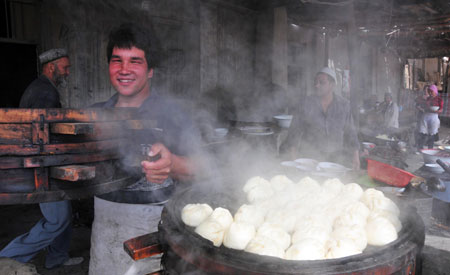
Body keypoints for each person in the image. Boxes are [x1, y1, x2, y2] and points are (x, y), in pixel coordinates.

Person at [88, 23, 202, 275]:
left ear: (150, 70)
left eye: (135, 61)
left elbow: (203, 167)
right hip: (103, 237)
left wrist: (172, 164)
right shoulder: (96, 115)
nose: (124, 69)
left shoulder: (174, 115)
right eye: (117, 60)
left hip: (154, 235)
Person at [0, 48, 83, 269]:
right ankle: (7, 258)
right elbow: (43, 136)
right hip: (44, 165)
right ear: (51, 67)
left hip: (47, 163)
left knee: (63, 213)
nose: (67, 73)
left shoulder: (42, 88)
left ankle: (57, 257)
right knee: (57, 220)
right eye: (65, 68)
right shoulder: (44, 93)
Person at [280, 67, 360, 170]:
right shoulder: (305, 104)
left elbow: (351, 133)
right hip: (310, 157)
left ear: (332, 85)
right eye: (315, 82)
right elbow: (293, 133)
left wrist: (355, 156)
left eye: (322, 82)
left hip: (335, 159)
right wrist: (293, 159)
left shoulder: (343, 105)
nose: (317, 85)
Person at [418, 84, 443, 149]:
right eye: (429, 91)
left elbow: (441, 109)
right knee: (422, 132)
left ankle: (430, 149)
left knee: (431, 134)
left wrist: (438, 111)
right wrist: (423, 107)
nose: (430, 93)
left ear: (435, 91)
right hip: (425, 115)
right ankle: (420, 148)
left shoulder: (439, 99)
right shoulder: (427, 98)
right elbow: (424, 106)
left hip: (433, 117)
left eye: (431, 91)